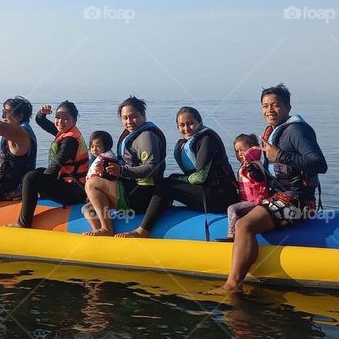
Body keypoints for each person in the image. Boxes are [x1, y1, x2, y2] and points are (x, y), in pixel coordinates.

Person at [218, 83, 328, 292]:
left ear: (287, 107)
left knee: (243, 225)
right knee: (237, 214)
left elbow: (319, 164)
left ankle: (232, 285)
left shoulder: (296, 130)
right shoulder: (274, 132)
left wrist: (279, 155)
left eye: (275, 105)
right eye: (265, 105)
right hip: (280, 196)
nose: (269, 110)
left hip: (299, 201)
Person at [117, 106, 239, 239]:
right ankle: (159, 210)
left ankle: (142, 231)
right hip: (207, 192)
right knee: (168, 181)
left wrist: (178, 179)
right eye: (182, 125)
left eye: (190, 123)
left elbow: (200, 177)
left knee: (166, 184)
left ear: (200, 122)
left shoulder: (207, 139)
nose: (186, 129)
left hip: (221, 196)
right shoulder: (186, 142)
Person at [83, 96, 166, 236]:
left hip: (142, 194)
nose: (129, 122)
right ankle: (99, 233)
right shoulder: (133, 135)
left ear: (143, 115)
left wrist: (120, 171)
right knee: (88, 208)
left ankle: (106, 229)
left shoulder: (146, 136)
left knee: (92, 184)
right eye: (125, 118)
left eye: (134, 116)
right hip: (132, 190)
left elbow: (151, 168)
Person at [9, 101, 90, 228]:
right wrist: (42, 113)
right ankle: (29, 199)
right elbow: (40, 121)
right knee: (39, 171)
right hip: (72, 185)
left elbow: (53, 169)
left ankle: (23, 223)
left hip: (74, 193)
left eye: (65, 119)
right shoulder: (66, 132)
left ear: (74, 120)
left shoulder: (70, 141)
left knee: (31, 177)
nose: (60, 122)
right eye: (58, 117)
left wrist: (35, 182)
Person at [225, 134, 269, 239]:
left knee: (231, 209)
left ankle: (232, 234)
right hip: (247, 201)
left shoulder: (253, 165)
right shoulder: (245, 166)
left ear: (252, 150)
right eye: (237, 151)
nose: (240, 154)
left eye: (243, 150)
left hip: (256, 202)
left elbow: (260, 178)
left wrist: (249, 167)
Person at [81, 130, 116, 231]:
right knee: (87, 208)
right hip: (104, 196)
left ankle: (98, 229)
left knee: (86, 209)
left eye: (98, 146)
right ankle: (97, 229)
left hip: (107, 197)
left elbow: (109, 178)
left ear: (107, 146)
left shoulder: (107, 160)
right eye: (92, 146)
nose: (94, 149)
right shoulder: (100, 158)